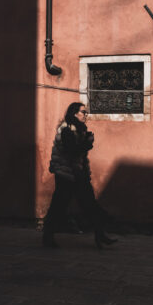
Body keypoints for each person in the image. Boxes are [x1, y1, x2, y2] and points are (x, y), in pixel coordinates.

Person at [42, 102, 117, 249]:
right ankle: (47, 236)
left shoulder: (78, 129)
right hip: (66, 174)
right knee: (59, 206)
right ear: (74, 113)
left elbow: (79, 155)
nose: (85, 115)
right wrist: (87, 143)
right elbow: (72, 151)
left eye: (86, 112)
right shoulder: (66, 130)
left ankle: (100, 235)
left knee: (90, 204)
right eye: (83, 112)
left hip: (78, 173)